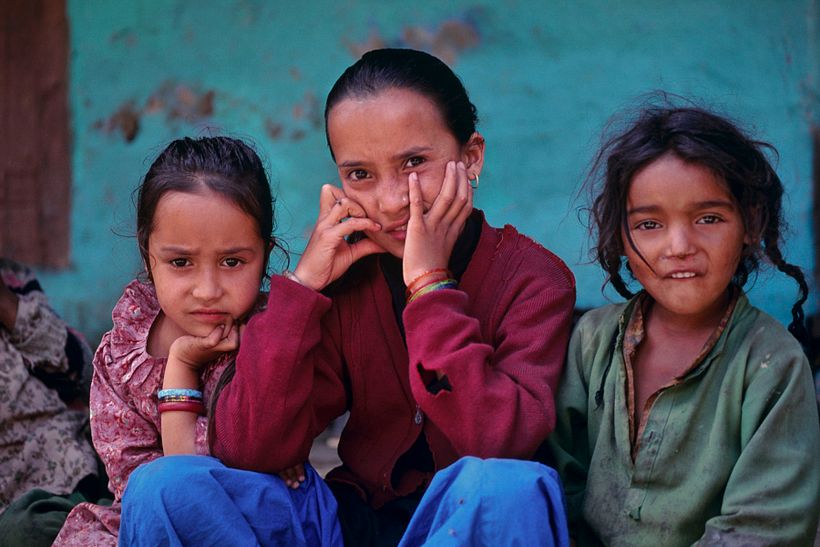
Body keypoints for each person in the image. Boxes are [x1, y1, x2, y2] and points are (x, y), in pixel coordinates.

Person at [120, 48, 575, 546]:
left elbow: (496, 442)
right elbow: (251, 448)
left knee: (509, 487)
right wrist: (301, 288)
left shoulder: (534, 280)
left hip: (469, 524)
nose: (390, 200)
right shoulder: (348, 280)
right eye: (360, 174)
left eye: (414, 163)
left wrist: (429, 285)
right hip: (347, 525)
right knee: (162, 487)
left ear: (471, 157)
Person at [548, 105, 820, 545]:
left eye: (708, 218)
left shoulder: (772, 363)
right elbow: (558, 480)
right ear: (621, 237)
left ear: (750, 222)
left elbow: (763, 528)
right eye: (650, 224)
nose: (679, 246)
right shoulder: (592, 341)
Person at [54, 136, 340, 546]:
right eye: (181, 262)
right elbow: (154, 492)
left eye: (232, 262)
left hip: (267, 515)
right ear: (147, 252)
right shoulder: (123, 353)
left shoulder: (274, 335)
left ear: (265, 254)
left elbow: (204, 477)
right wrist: (182, 363)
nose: (207, 290)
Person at [0, 257, 100, 546]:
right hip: (21, 510)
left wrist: (9, 306)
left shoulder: (13, 279)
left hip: (78, 458)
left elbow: (84, 373)